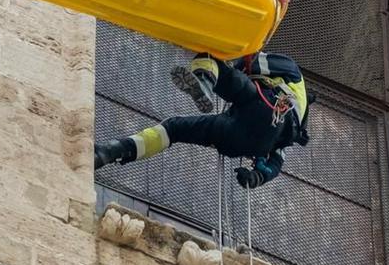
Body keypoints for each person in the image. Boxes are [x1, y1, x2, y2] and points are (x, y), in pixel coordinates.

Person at [95, 50, 309, 189]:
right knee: (175, 129)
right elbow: (276, 164)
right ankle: (111, 153)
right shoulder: (295, 129)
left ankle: (110, 151)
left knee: (207, 59)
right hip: (246, 141)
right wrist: (255, 177)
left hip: (263, 106)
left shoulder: (290, 68)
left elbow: (248, 63)